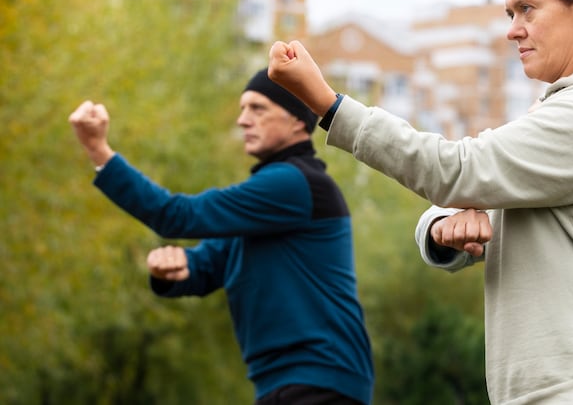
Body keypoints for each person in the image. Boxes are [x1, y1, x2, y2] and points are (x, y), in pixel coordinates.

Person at [266, 0, 573, 404]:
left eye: (527, 9)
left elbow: (458, 169)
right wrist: (442, 227)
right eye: (510, 14)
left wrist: (328, 105)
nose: (513, 29)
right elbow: (467, 191)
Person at [68, 70, 374, 405]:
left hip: (318, 379)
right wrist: (172, 269)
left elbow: (175, 215)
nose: (243, 121)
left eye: (258, 109)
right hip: (292, 382)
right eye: (242, 110)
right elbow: (205, 266)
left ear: (297, 121)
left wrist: (99, 150)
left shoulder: (293, 184)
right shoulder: (266, 202)